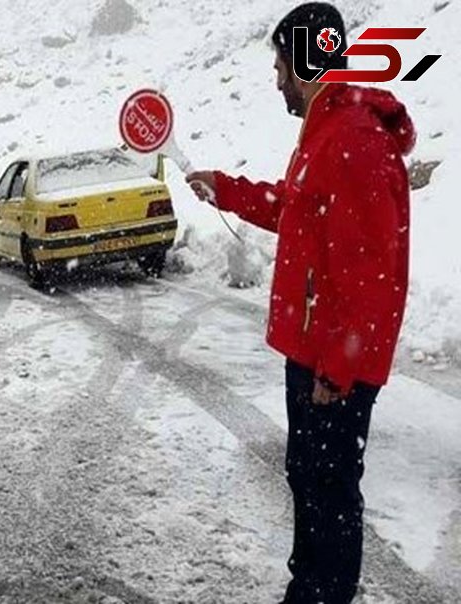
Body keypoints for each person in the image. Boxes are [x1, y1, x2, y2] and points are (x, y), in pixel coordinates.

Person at [185, 4, 413, 602]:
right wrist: (227, 189)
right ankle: (308, 588)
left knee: (330, 487)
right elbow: (297, 209)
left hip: (332, 362)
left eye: (283, 65)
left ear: (306, 60)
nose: (279, 80)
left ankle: (323, 593)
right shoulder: (327, 131)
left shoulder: (355, 139)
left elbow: (369, 267)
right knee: (309, 479)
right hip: (314, 352)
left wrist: (337, 366)